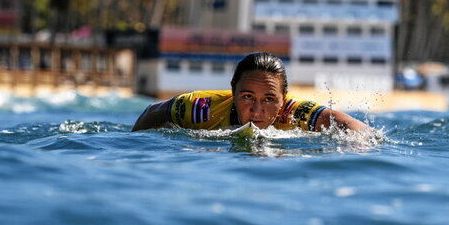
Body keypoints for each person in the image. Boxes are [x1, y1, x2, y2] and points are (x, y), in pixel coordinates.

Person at [132, 52, 367, 132]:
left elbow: (356, 128)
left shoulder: (295, 113)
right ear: (232, 92)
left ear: (283, 99)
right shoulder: (202, 108)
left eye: (269, 99)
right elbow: (151, 112)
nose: (257, 110)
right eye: (247, 97)